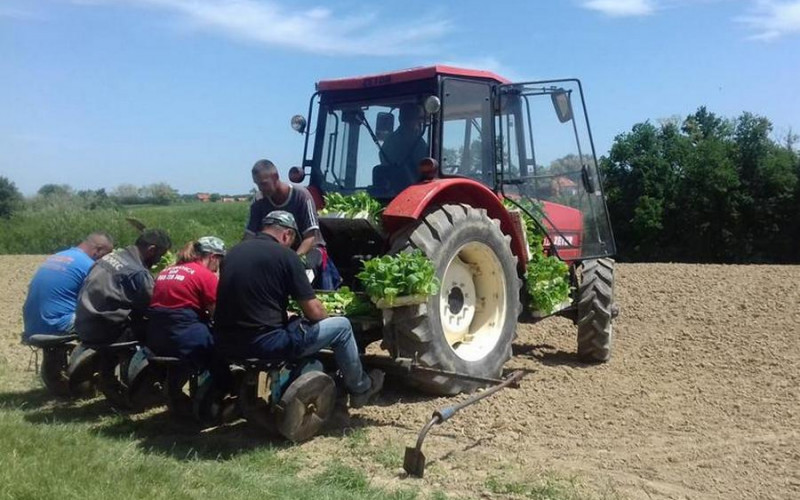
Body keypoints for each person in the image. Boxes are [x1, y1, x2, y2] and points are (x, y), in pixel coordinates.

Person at [215, 210, 383, 408]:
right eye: (292, 240)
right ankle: (360, 388)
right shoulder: (286, 256)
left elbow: (248, 299)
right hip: (266, 344)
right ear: (287, 234)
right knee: (342, 327)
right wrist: (326, 318)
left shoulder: (233, 253)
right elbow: (314, 312)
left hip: (226, 342)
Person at [246, 159, 340, 290]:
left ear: (276, 177)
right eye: (257, 185)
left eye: (264, 184)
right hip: (277, 254)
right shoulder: (259, 200)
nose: (260, 189)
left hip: (308, 252)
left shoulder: (301, 196)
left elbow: (310, 237)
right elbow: (249, 236)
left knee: (304, 276)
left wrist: (292, 262)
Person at [75, 229, 172, 345]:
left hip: (82, 324)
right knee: (163, 329)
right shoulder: (137, 273)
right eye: (159, 255)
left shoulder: (109, 257)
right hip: (104, 332)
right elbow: (153, 306)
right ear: (151, 250)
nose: (158, 260)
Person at [145, 236, 225, 372]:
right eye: (220, 260)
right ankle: (222, 387)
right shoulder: (205, 275)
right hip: (186, 338)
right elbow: (217, 315)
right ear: (213, 257)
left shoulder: (166, 271)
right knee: (222, 350)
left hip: (155, 338)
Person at [22, 232, 114, 341]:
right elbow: (102, 298)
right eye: (106, 255)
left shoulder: (59, 255)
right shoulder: (89, 265)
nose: (105, 260)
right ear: (97, 250)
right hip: (57, 325)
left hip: (31, 325)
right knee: (110, 321)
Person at [378, 102, 429, 192]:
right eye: (418, 119)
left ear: (399, 119)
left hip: (391, 188)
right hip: (414, 188)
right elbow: (425, 165)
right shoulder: (417, 141)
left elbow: (383, 160)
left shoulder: (390, 139)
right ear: (417, 120)